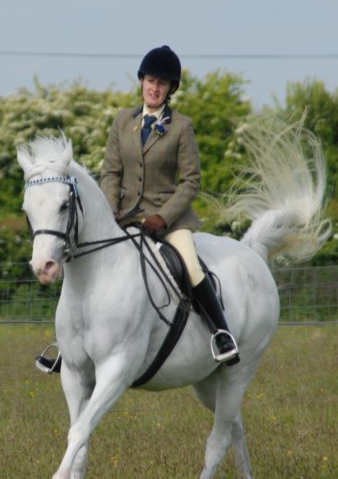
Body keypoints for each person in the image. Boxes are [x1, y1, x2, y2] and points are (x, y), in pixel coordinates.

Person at [35, 45, 238, 373]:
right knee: (83, 262)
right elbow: (111, 171)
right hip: (124, 217)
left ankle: (221, 334)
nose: (155, 88)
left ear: (171, 89)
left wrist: (163, 216)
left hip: (168, 221)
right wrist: (108, 210)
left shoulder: (181, 127)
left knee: (191, 265)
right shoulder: (122, 120)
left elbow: (190, 182)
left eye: (162, 83)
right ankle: (70, 350)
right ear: (141, 81)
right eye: (150, 81)